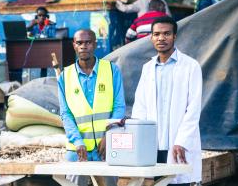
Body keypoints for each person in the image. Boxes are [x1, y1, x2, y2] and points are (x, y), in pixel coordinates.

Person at [131, 16, 202, 185]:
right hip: (152, 145)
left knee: (179, 181)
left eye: (166, 34)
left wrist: (182, 141)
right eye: (156, 34)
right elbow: (140, 107)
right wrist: (139, 140)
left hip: (178, 145)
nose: (161, 38)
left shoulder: (190, 66)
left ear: (175, 36)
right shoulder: (147, 68)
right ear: (151, 37)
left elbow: (193, 108)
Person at [57, 29, 126, 186]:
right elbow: (65, 114)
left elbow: (120, 106)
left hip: (107, 145)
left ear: (95, 44)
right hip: (77, 148)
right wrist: (78, 142)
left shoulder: (111, 70)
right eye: (79, 43)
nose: (83, 46)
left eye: (88, 42)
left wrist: (109, 135)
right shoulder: (65, 76)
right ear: (74, 45)